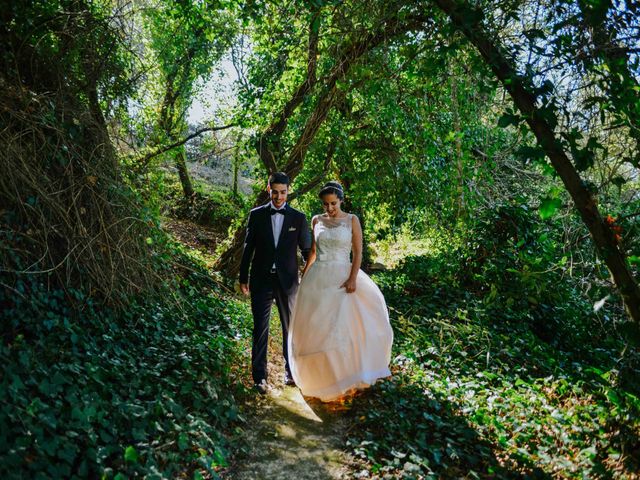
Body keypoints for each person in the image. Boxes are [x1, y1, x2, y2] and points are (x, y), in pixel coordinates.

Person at [287, 181, 393, 401]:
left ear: (341, 200)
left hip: (343, 276)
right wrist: (304, 276)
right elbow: (314, 252)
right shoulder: (316, 220)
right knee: (318, 328)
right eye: (326, 204)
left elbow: (358, 252)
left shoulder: (352, 220)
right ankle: (322, 378)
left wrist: (353, 278)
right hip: (318, 277)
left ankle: (349, 377)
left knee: (344, 327)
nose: (330, 208)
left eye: (333, 203)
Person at [239, 172, 311, 394]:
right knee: (260, 328)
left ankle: (291, 372)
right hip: (261, 280)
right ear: (268, 189)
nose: (279, 197)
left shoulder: (298, 218)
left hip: (288, 282)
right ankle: (259, 377)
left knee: (290, 328)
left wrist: (310, 276)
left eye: (283, 192)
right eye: (275, 192)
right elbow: (248, 248)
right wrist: (243, 277)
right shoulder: (256, 215)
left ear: (288, 191)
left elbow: (308, 251)